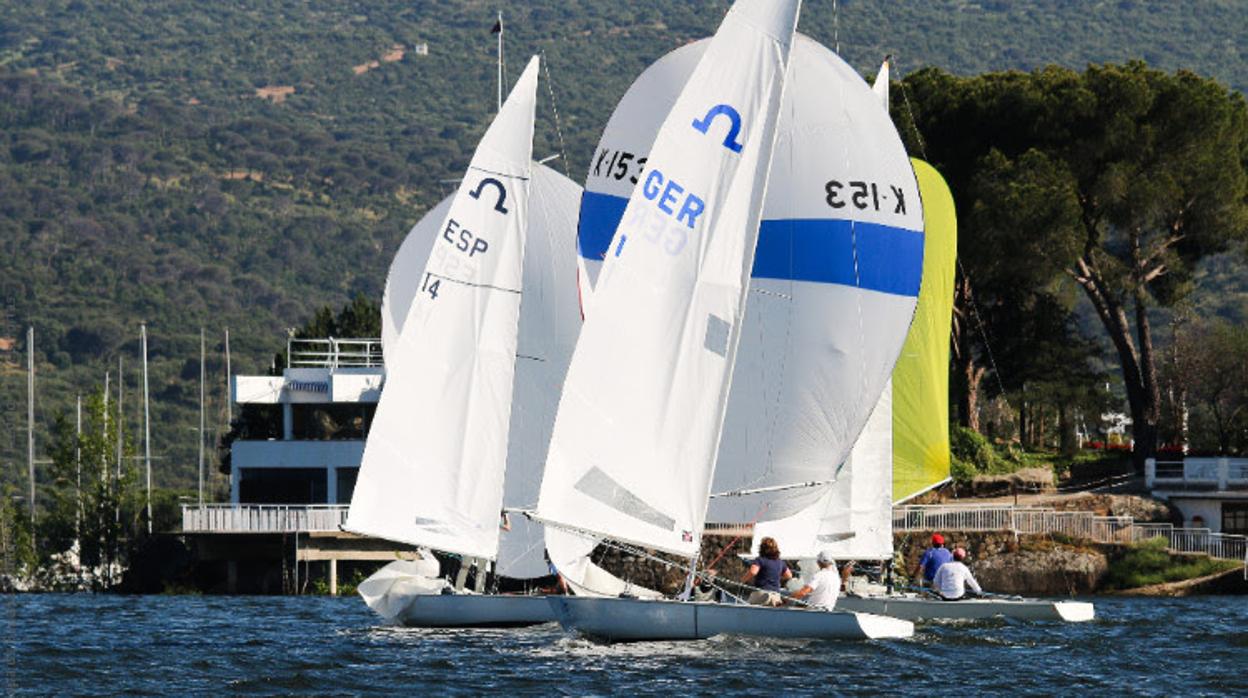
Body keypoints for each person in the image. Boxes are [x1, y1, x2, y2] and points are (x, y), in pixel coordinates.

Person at [742, 536, 792, 606]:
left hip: (762, 594)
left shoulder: (760, 560)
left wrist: (742, 580)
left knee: (746, 606)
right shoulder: (780, 562)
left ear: (762, 548)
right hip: (776, 596)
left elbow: (753, 572)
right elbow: (789, 576)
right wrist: (776, 576)